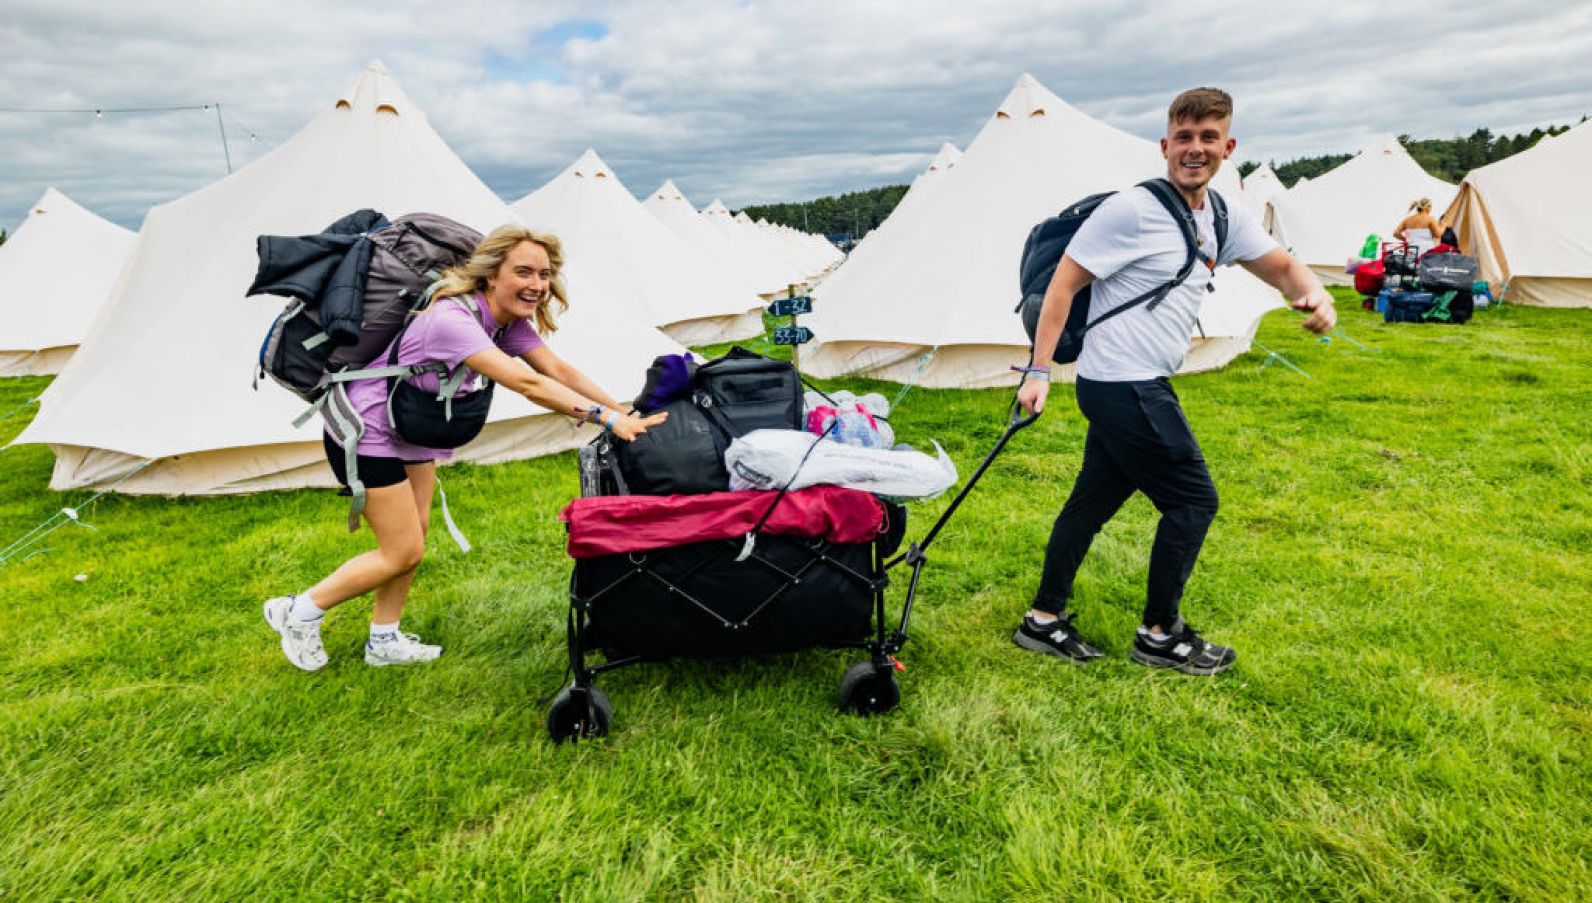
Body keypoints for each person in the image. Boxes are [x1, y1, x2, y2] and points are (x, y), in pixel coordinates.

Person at [1013, 87, 1336, 675]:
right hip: (1123, 383)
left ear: (1227, 146)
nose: (1195, 149)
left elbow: (1282, 267)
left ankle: (1042, 620)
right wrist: (1039, 372)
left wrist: (1314, 293)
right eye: (1184, 138)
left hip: (1132, 383)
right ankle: (1160, 634)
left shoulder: (1221, 215)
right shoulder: (1131, 211)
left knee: (1090, 504)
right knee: (1193, 500)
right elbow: (1062, 286)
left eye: (1208, 137)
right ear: (1165, 146)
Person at [263, 226, 666, 671]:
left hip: (410, 429)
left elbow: (555, 368)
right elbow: (527, 382)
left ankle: (384, 640)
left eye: (544, 274)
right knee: (402, 551)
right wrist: (607, 419)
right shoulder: (451, 320)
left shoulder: (503, 321)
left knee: (415, 534)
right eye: (524, 272)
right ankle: (298, 611)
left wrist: (624, 411)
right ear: (491, 275)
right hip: (366, 431)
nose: (536, 284)